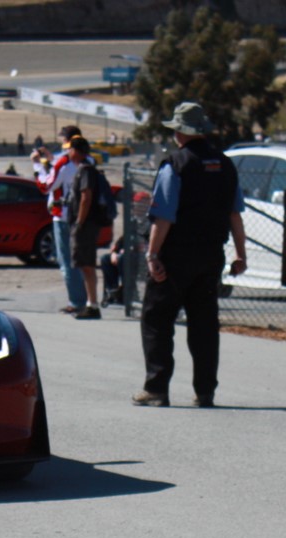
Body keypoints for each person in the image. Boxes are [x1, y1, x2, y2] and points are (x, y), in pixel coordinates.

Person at [133, 102, 245, 409]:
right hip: (211, 255)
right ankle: (205, 391)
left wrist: (153, 254)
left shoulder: (176, 165)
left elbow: (163, 216)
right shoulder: (225, 165)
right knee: (205, 324)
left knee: (157, 319)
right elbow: (236, 214)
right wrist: (241, 254)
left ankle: (156, 388)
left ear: (180, 132)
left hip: (175, 255)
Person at [41, 125, 88, 315]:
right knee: (82, 261)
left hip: (63, 216)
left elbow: (47, 186)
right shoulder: (88, 161)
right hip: (82, 216)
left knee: (66, 261)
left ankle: (77, 301)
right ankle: (87, 299)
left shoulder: (64, 162)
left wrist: (38, 167)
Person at [66, 136, 110, 319]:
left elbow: (86, 197)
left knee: (87, 265)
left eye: (70, 149)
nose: (68, 152)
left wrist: (80, 222)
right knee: (85, 265)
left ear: (76, 151)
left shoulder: (85, 171)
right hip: (86, 224)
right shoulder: (84, 169)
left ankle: (92, 305)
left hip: (86, 225)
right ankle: (90, 304)